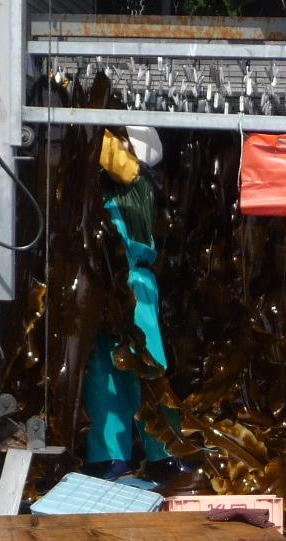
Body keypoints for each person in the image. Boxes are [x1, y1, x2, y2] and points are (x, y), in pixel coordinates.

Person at [82, 125, 186, 481]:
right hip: (105, 283)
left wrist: (86, 122)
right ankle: (111, 456)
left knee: (148, 366)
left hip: (133, 283)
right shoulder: (119, 182)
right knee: (105, 370)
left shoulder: (136, 181)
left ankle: (162, 451)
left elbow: (108, 152)